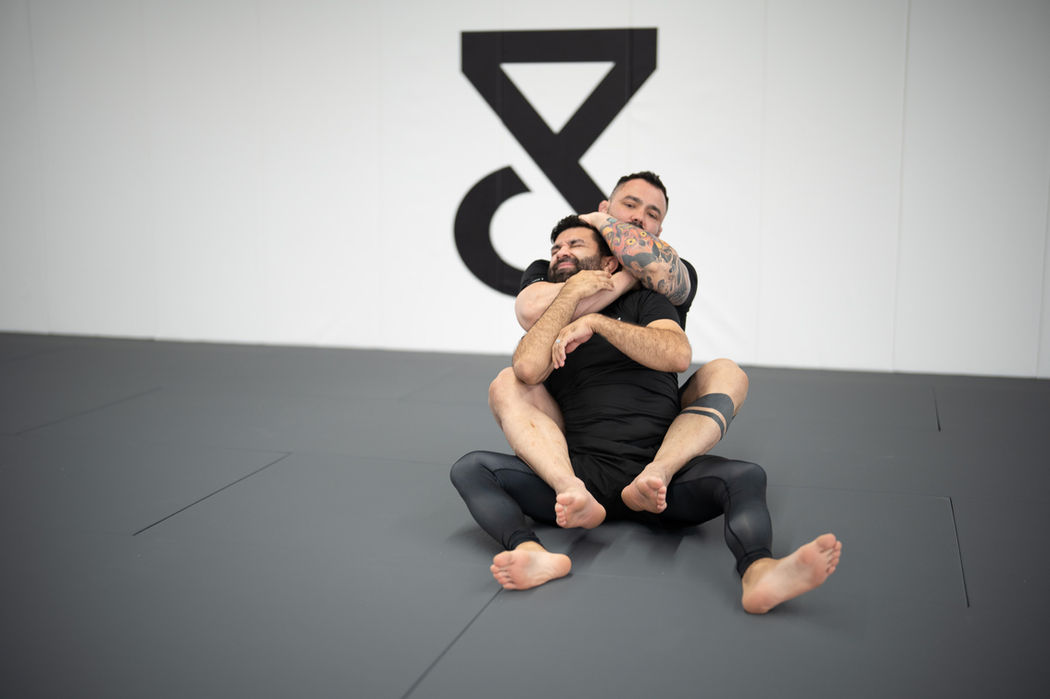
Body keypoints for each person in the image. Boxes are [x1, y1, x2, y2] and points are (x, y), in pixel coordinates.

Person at [451, 216, 841, 613]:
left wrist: (597, 324)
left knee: (746, 475)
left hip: (655, 479)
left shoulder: (644, 300)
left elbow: (677, 354)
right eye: (556, 249)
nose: (561, 253)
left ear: (608, 264)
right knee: (471, 466)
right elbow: (528, 370)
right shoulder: (551, 317)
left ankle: (759, 571)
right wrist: (570, 296)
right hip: (580, 482)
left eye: (574, 245)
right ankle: (532, 552)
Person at [488, 172, 749, 530]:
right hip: (579, 430)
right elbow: (530, 310)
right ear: (605, 208)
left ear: (659, 231)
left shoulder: (675, 272)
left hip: (656, 430)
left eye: (653, 214)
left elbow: (672, 330)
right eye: (630, 204)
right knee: (508, 381)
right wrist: (613, 276)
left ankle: (662, 469)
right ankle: (568, 484)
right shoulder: (555, 267)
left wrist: (600, 306)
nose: (641, 216)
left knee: (728, 371)